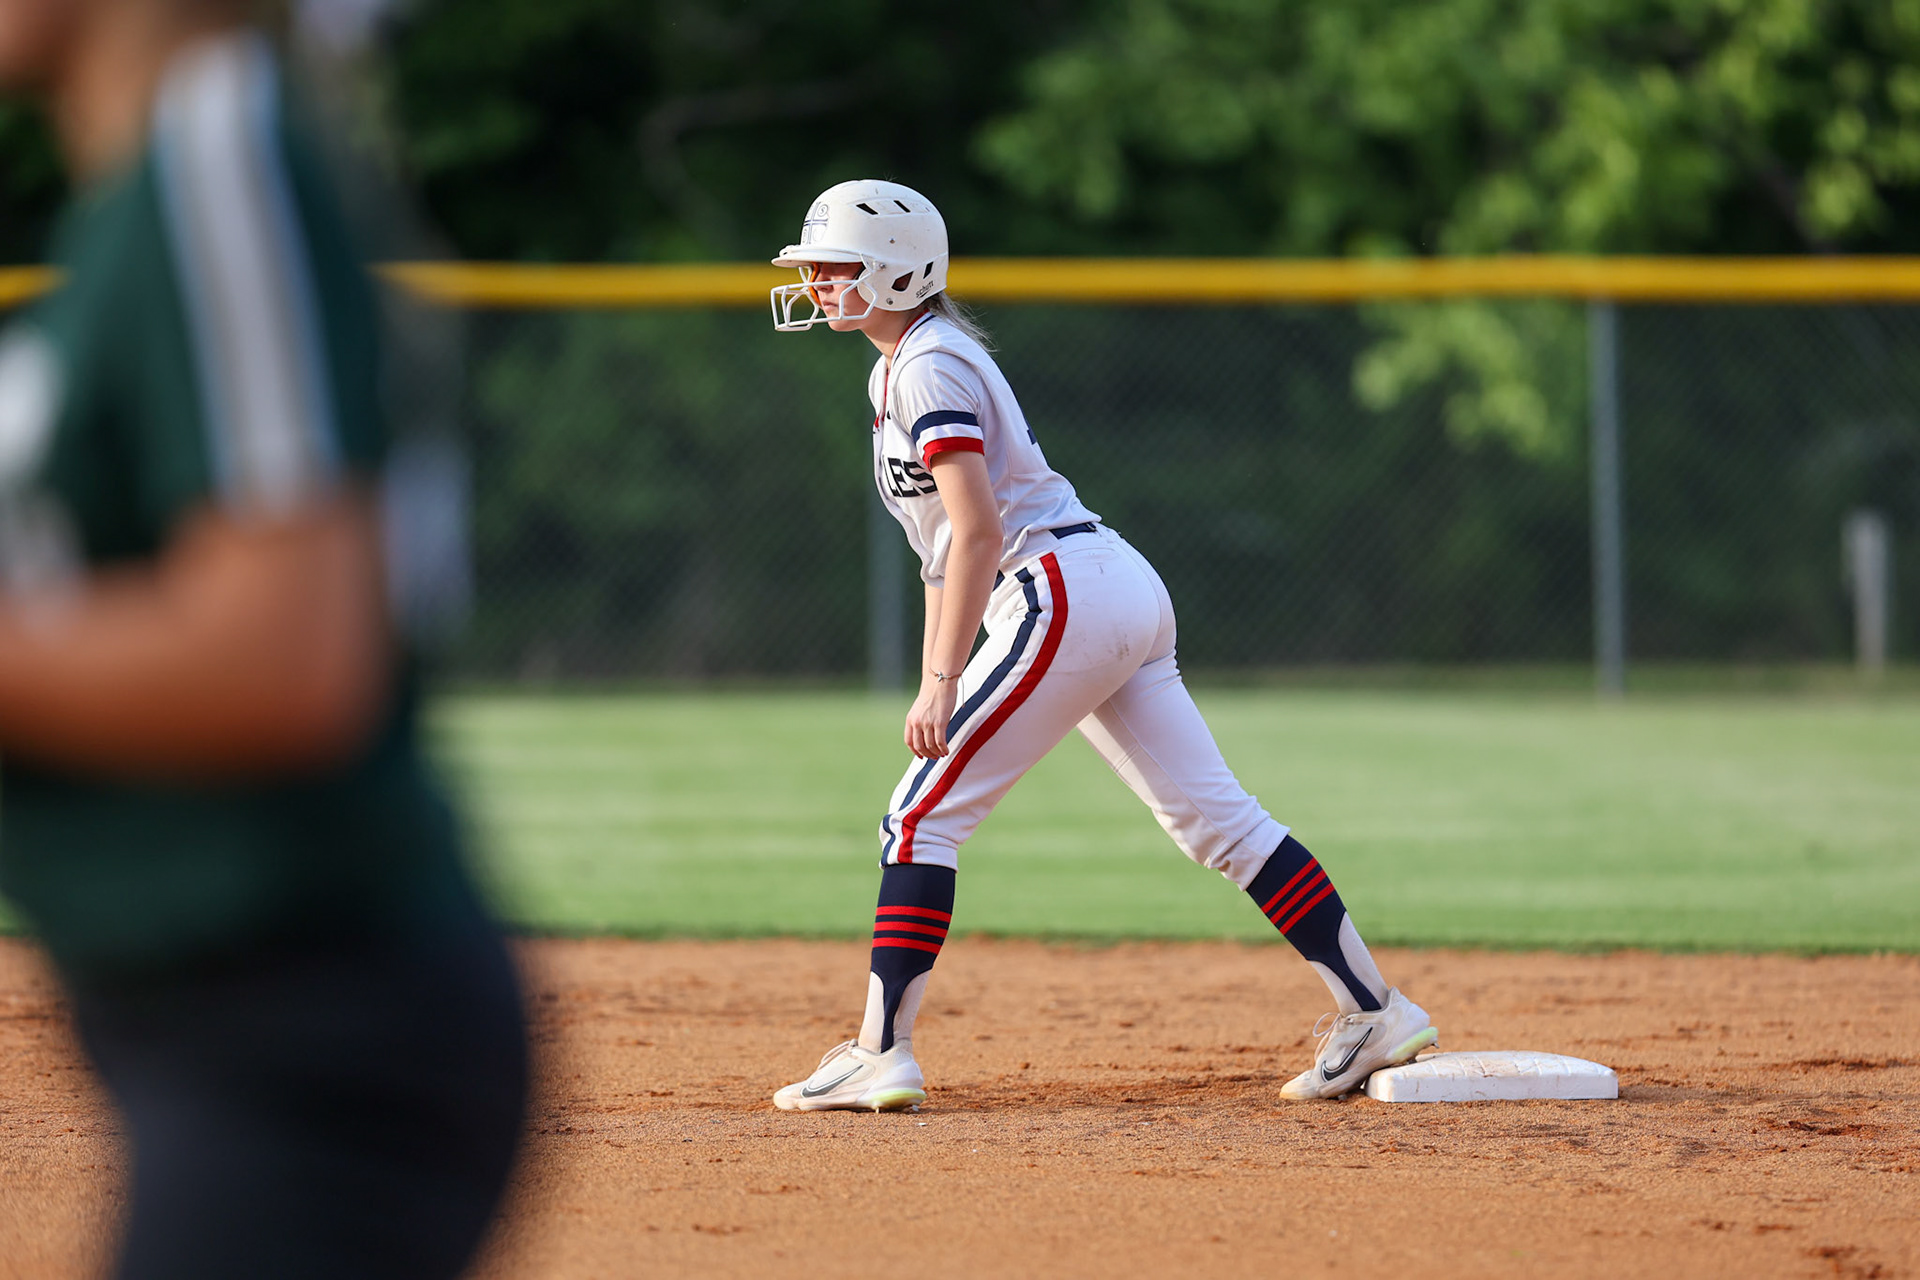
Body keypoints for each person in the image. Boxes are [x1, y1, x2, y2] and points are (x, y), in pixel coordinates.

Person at [0, 1, 525, 1276]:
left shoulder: (220, 151)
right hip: (218, 1022)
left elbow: (283, 649)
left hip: (307, 1031)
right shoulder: (152, 186)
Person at [767, 180, 1438, 1112]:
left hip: (1055, 593)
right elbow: (941, 556)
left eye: (837, 267)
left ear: (896, 271)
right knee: (1220, 823)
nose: (819, 283)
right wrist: (939, 669)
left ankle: (883, 1050)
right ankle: (1376, 1009)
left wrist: (941, 680)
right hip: (1103, 584)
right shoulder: (907, 364)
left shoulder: (924, 366)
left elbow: (976, 528)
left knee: (921, 819)